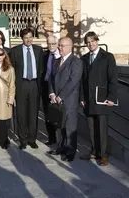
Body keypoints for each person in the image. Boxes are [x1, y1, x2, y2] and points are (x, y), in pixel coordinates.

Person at [79, 31, 118, 166]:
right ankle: (95, 151)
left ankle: (104, 155)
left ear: (97, 40)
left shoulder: (107, 57)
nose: (90, 44)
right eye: (88, 42)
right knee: (91, 127)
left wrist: (112, 97)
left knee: (102, 127)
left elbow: (113, 79)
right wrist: (82, 97)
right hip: (88, 99)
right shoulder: (84, 59)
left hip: (102, 99)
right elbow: (82, 81)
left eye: (92, 41)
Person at [47, 37, 83, 162]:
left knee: (70, 127)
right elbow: (51, 78)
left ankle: (70, 152)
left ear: (70, 47)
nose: (59, 48)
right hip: (57, 100)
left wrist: (60, 96)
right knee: (60, 125)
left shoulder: (76, 62)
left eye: (62, 46)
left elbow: (73, 81)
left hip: (69, 100)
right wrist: (51, 93)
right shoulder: (56, 61)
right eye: (59, 45)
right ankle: (61, 147)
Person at [10, 27, 44, 149]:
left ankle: (32, 139)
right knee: (21, 113)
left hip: (34, 84)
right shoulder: (15, 51)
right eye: (26, 37)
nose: (28, 39)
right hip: (21, 84)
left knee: (33, 113)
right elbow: (11, 70)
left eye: (30, 37)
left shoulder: (39, 50)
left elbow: (42, 68)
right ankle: (23, 139)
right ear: (22, 39)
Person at [41, 35, 60, 145]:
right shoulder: (45, 55)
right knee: (48, 115)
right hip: (46, 89)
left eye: (53, 44)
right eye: (49, 44)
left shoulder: (61, 56)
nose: (51, 46)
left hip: (58, 90)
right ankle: (52, 138)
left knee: (58, 115)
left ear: (57, 44)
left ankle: (60, 140)